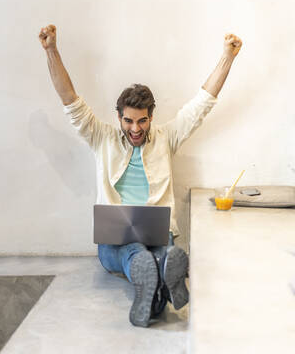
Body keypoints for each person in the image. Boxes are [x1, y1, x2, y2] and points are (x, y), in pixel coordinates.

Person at [38, 25, 242, 327]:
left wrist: (228, 56)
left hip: (158, 234)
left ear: (151, 117)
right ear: (119, 117)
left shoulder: (166, 137)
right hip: (115, 244)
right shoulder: (102, 137)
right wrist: (51, 50)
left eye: (142, 121)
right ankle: (159, 275)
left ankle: (154, 281)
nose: (136, 129)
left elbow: (202, 103)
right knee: (134, 251)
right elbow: (69, 100)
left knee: (162, 249)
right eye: (129, 121)